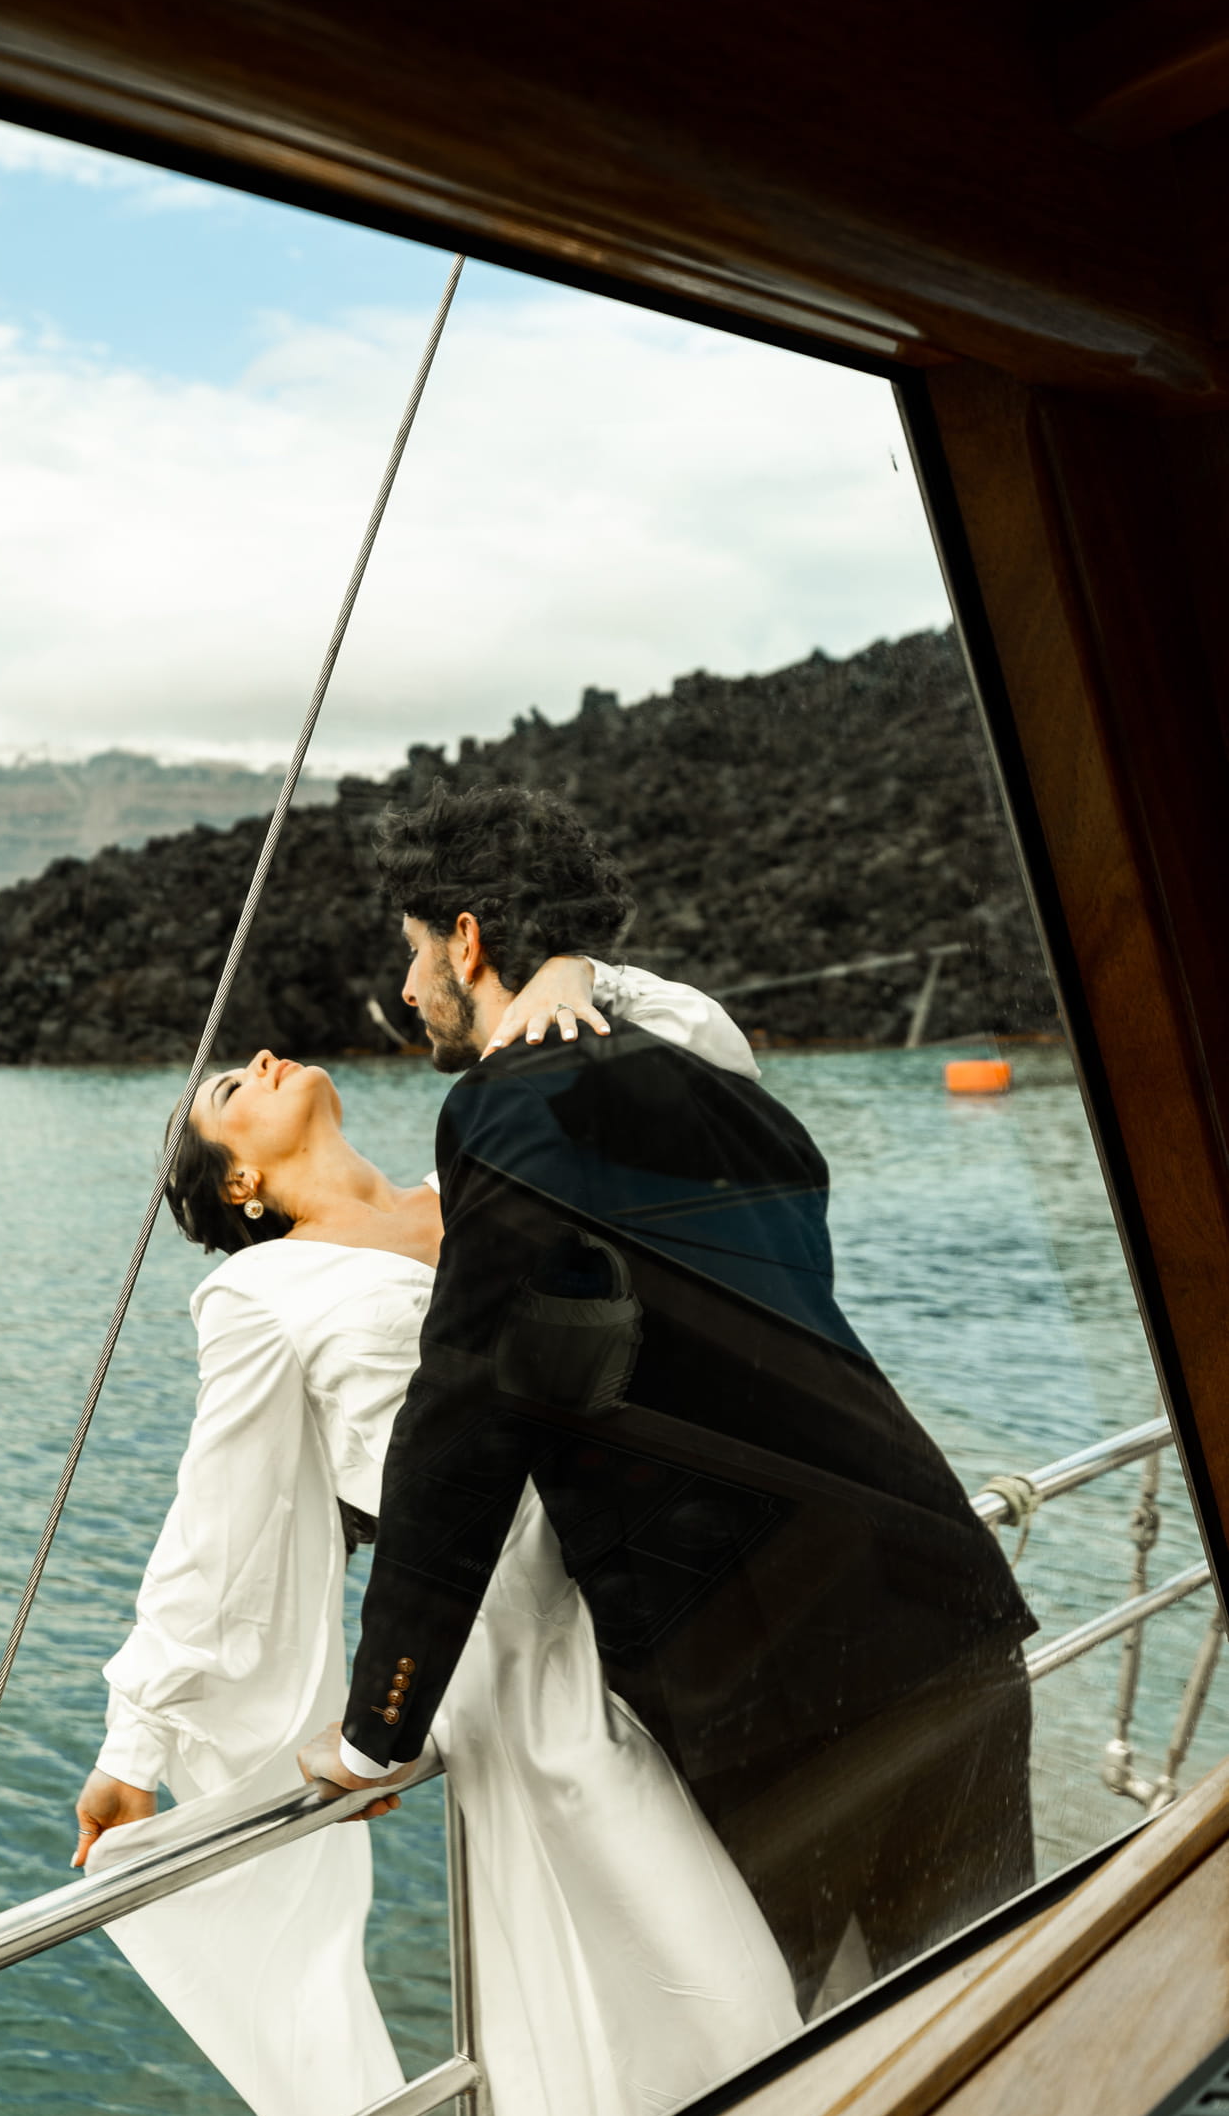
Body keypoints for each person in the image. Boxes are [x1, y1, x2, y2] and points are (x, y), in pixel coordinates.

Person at [72, 952, 801, 2116]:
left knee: (769, 1930)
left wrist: (584, 975)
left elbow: (720, 1075)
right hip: (520, 1660)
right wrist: (136, 1742)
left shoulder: (469, 1180)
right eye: (232, 1090)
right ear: (238, 1184)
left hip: (673, 1595)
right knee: (715, 1990)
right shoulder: (256, 1293)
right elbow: (218, 1526)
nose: (260, 1060)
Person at [302, 785, 1038, 2013]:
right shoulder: (725, 1089)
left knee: (822, 2055)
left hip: (782, 1679)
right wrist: (582, 967)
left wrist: (379, 1724)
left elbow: (467, 1420)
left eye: (415, 948)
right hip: (947, 1604)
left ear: (467, 941)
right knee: (994, 2016)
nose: (410, 982)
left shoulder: (501, 1106)